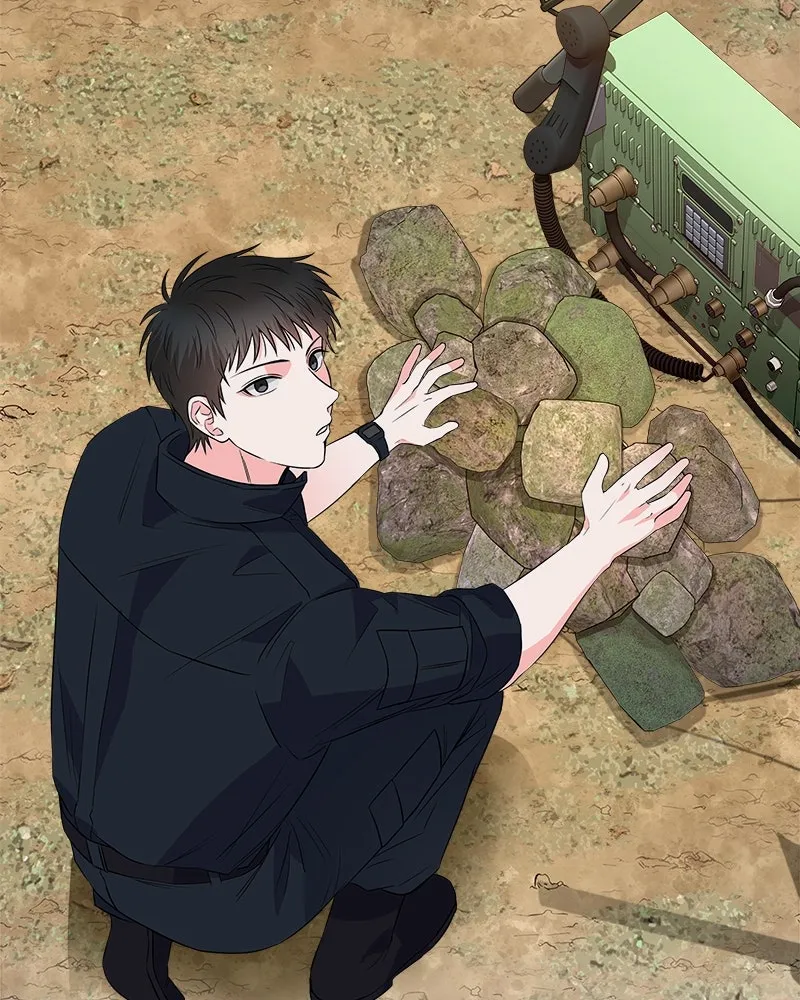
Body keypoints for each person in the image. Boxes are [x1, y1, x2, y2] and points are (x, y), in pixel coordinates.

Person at [50, 245, 692, 1000]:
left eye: (314, 361)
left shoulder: (125, 454)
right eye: (266, 383)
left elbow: (256, 508)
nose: (320, 396)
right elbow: (499, 642)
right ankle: (358, 957)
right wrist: (598, 542)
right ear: (208, 413)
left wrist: (382, 434)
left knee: (169, 710)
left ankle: (133, 946)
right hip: (231, 900)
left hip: (95, 841)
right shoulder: (303, 617)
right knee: (460, 703)